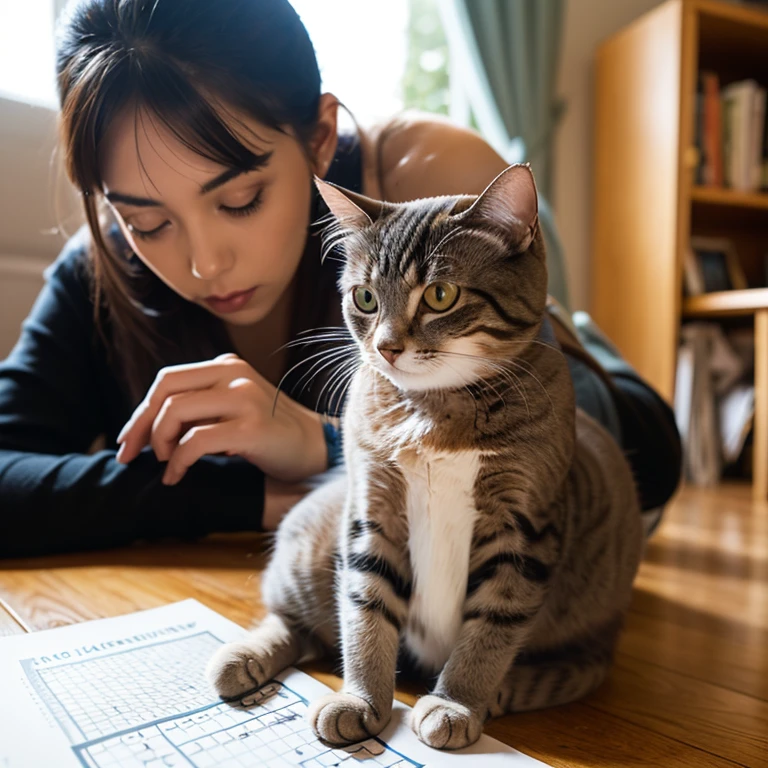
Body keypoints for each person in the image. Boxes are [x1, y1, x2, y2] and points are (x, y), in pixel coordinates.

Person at [0, 0, 681, 559]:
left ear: (320, 137)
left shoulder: (420, 183)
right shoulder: (102, 266)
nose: (204, 264)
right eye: (147, 222)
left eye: (240, 201)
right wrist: (232, 495)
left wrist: (322, 444)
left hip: (602, 389)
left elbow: (632, 462)